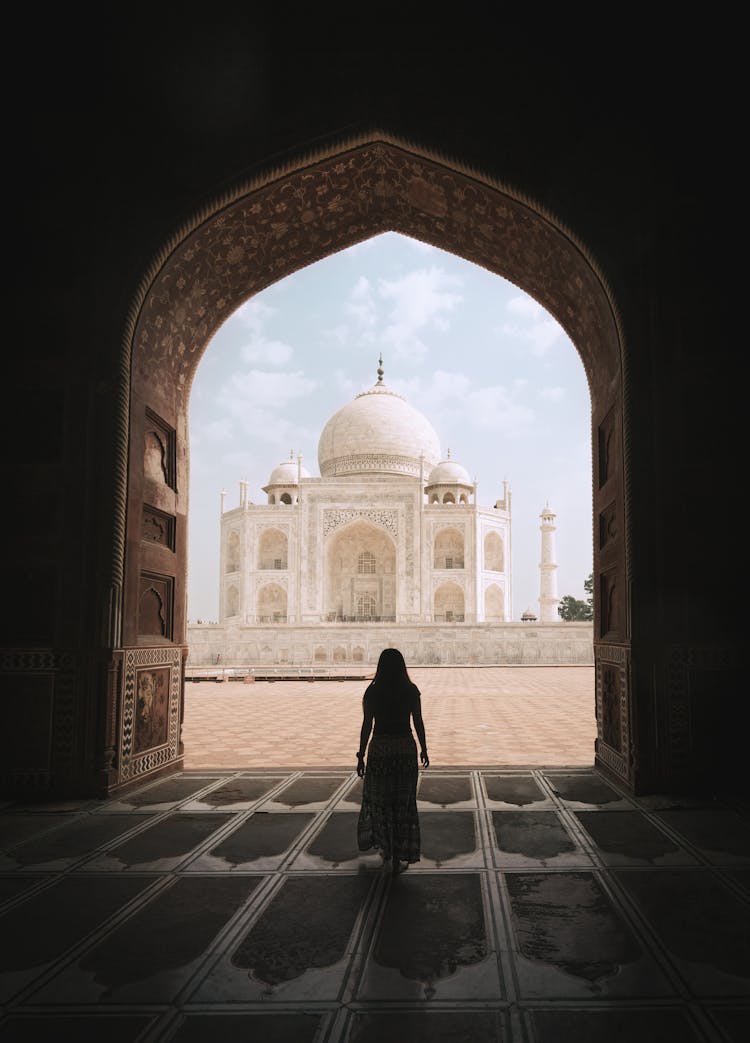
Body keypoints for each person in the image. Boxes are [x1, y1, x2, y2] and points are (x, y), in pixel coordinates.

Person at [356, 647, 429, 875]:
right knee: (402, 804)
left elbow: (367, 724)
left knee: (382, 803)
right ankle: (398, 855)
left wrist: (361, 755)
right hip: (404, 750)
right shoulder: (410, 690)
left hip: (380, 750)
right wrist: (424, 749)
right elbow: (418, 721)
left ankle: (387, 850)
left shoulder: (373, 692)